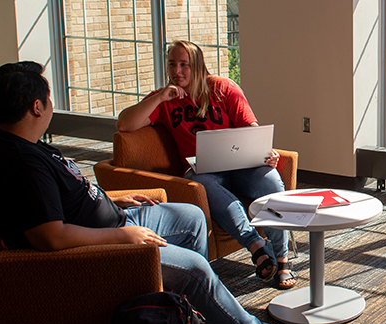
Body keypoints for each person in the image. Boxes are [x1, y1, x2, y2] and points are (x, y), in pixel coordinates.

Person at [0, 61, 326, 324]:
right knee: (197, 270)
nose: (51, 103)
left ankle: (186, 315)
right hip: (99, 249)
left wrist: (113, 199)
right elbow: (51, 237)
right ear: (37, 107)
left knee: (191, 216)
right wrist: (122, 235)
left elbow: (62, 202)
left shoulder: (18, 147)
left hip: (113, 219)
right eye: (49, 97)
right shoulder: (21, 165)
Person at [116, 40, 296, 290]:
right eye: (171, 64)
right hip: (205, 170)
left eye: (184, 65)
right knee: (201, 183)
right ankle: (256, 245)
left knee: (270, 180)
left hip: (242, 164)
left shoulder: (223, 88)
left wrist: (266, 152)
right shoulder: (166, 100)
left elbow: (251, 128)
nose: (176, 71)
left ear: (198, 66)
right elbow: (124, 124)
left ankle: (282, 257)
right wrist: (159, 96)